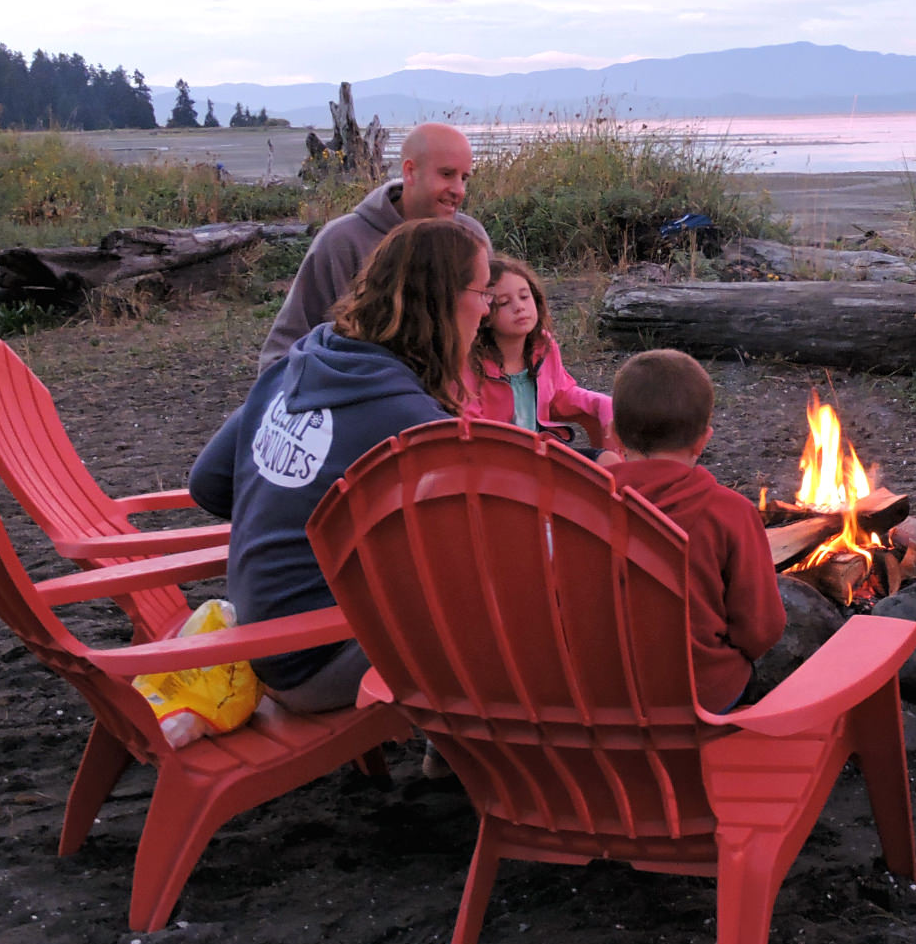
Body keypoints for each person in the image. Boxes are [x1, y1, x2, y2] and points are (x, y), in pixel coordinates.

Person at [193, 219, 493, 713]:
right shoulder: (410, 423)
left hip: (255, 635)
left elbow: (209, 484)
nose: (486, 308)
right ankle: (471, 761)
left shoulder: (305, 360)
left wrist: (289, 498)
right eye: (482, 291)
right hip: (317, 663)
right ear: (442, 301)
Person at [607, 349, 786, 712]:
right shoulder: (729, 512)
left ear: (614, 435)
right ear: (703, 440)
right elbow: (761, 629)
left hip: (600, 694)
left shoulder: (578, 502)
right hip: (700, 698)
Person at [257, 122, 490, 373]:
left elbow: (495, 330)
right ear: (410, 172)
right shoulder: (342, 241)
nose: (458, 190)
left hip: (455, 400)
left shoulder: (471, 239)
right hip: (360, 395)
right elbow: (281, 353)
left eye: (464, 178)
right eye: (446, 174)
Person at [463, 256, 616, 452]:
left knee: (607, 460)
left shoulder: (543, 347)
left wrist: (602, 404)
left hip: (542, 453)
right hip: (496, 461)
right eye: (503, 303)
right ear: (485, 313)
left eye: (524, 297)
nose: (519, 307)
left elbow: (562, 395)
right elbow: (471, 426)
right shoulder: (471, 362)